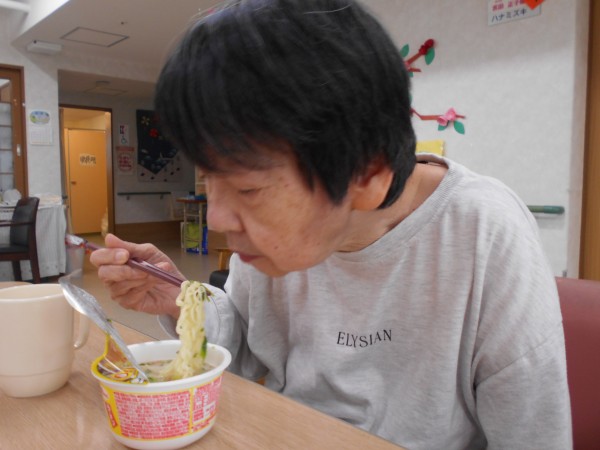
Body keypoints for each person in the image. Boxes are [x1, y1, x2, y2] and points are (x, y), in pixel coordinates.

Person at [91, 1, 572, 448]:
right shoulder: (268, 245)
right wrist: (181, 299)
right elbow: (244, 339)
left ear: (367, 174)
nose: (216, 217)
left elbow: (533, 435)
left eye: (248, 189)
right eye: (209, 179)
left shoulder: (485, 232)